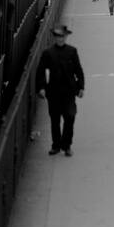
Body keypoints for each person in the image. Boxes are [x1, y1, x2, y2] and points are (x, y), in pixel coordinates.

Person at [37, 25, 84, 157]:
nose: (60, 39)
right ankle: (56, 145)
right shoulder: (48, 53)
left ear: (65, 37)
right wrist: (41, 88)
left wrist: (81, 87)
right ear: (55, 38)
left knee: (70, 117)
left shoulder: (72, 51)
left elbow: (78, 70)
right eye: (58, 36)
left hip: (69, 91)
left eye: (62, 36)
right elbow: (41, 71)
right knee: (55, 120)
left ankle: (66, 145)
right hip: (54, 91)